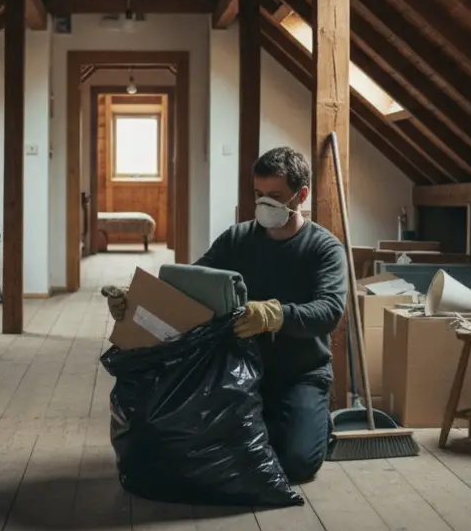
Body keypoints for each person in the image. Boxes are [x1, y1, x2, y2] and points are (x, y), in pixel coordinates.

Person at [104, 146, 347, 483]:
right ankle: (272, 421)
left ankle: (313, 421)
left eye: (275, 196)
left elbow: (329, 311)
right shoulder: (238, 239)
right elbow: (186, 286)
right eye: (259, 194)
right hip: (235, 369)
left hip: (300, 371)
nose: (264, 204)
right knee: (187, 444)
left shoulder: (323, 249)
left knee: (297, 463)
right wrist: (133, 301)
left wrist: (275, 315)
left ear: (301, 195)